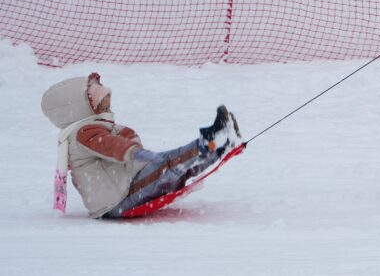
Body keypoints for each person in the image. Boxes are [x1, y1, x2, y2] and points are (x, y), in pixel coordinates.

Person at [40, 72, 241, 219]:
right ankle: (214, 142)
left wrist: (131, 144)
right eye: (101, 103)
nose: (107, 106)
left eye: (107, 101)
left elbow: (118, 139)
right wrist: (132, 151)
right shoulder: (84, 132)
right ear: (81, 107)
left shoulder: (92, 128)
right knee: (168, 165)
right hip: (117, 200)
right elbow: (108, 145)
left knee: (175, 170)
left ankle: (218, 147)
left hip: (122, 190)